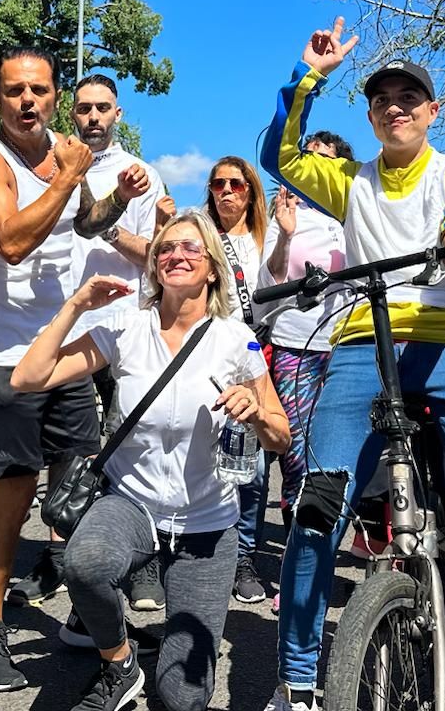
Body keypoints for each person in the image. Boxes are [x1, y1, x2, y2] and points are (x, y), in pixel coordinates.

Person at [260, 22, 445, 711]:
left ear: (432, 111)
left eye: (409, 98)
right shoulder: (350, 181)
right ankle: (297, 679)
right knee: (316, 508)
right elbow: (280, 154)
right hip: (365, 341)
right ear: (369, 116)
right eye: (383, 100)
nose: (396, 107)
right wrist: (309, 76)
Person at [12, 211, 291, 711]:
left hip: (208, 523)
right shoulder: (126, 328)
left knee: (183, 697)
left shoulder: (237, 339)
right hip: (132, 503)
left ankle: (163, 654)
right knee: (85, 564)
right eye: (165, 248)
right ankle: (119, 664)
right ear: (155, 265)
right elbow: (27, 378)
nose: (175, 255)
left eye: (190, 248)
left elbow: (281, 438)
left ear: (212, 269)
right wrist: (76, 306)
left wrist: (255, 412)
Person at [0, 46, 150, 692]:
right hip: (1, 353)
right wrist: (69, 176)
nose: (27, 101)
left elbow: (87, 223)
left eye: (38, 89)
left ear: (54, 95)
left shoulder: (67, 153)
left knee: (79, 486)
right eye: (14, 90)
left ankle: (86, 617)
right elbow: (11, 242)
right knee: (13, 494)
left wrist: (116, 196)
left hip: (61, 344)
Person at [27, 72, 165, 614]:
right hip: (63, 321)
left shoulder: (141, 173)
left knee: (133, 439)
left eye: (103, 108)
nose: (93, 117)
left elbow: (157, 254)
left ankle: (143, 558)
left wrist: (105, 223)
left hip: (126, 322)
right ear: (71, 113)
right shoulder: (49, 164)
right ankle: (59, 555)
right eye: (84, 108)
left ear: (118, 114)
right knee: (64, 448)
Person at [253, 131, 352, 612]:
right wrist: (286, 234)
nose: (312, 168)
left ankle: (327, 566)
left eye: (324, 161)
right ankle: (296, 574)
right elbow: (266, 283)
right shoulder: (283, 215)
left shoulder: (353, 211)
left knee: (339, 459)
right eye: (306, 158)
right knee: (297, 460)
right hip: (296, 345)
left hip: (348, 345)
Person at [202, 155, 272, 603]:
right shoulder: (203, 237)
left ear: (251, 192)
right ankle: (202, 548)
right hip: (214, 351)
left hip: (264, 353)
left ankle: (244, 555)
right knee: (207, 453)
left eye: (236, 184)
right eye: (218, 184)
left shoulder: (271, 236)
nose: (226, 191)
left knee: (256, 466)